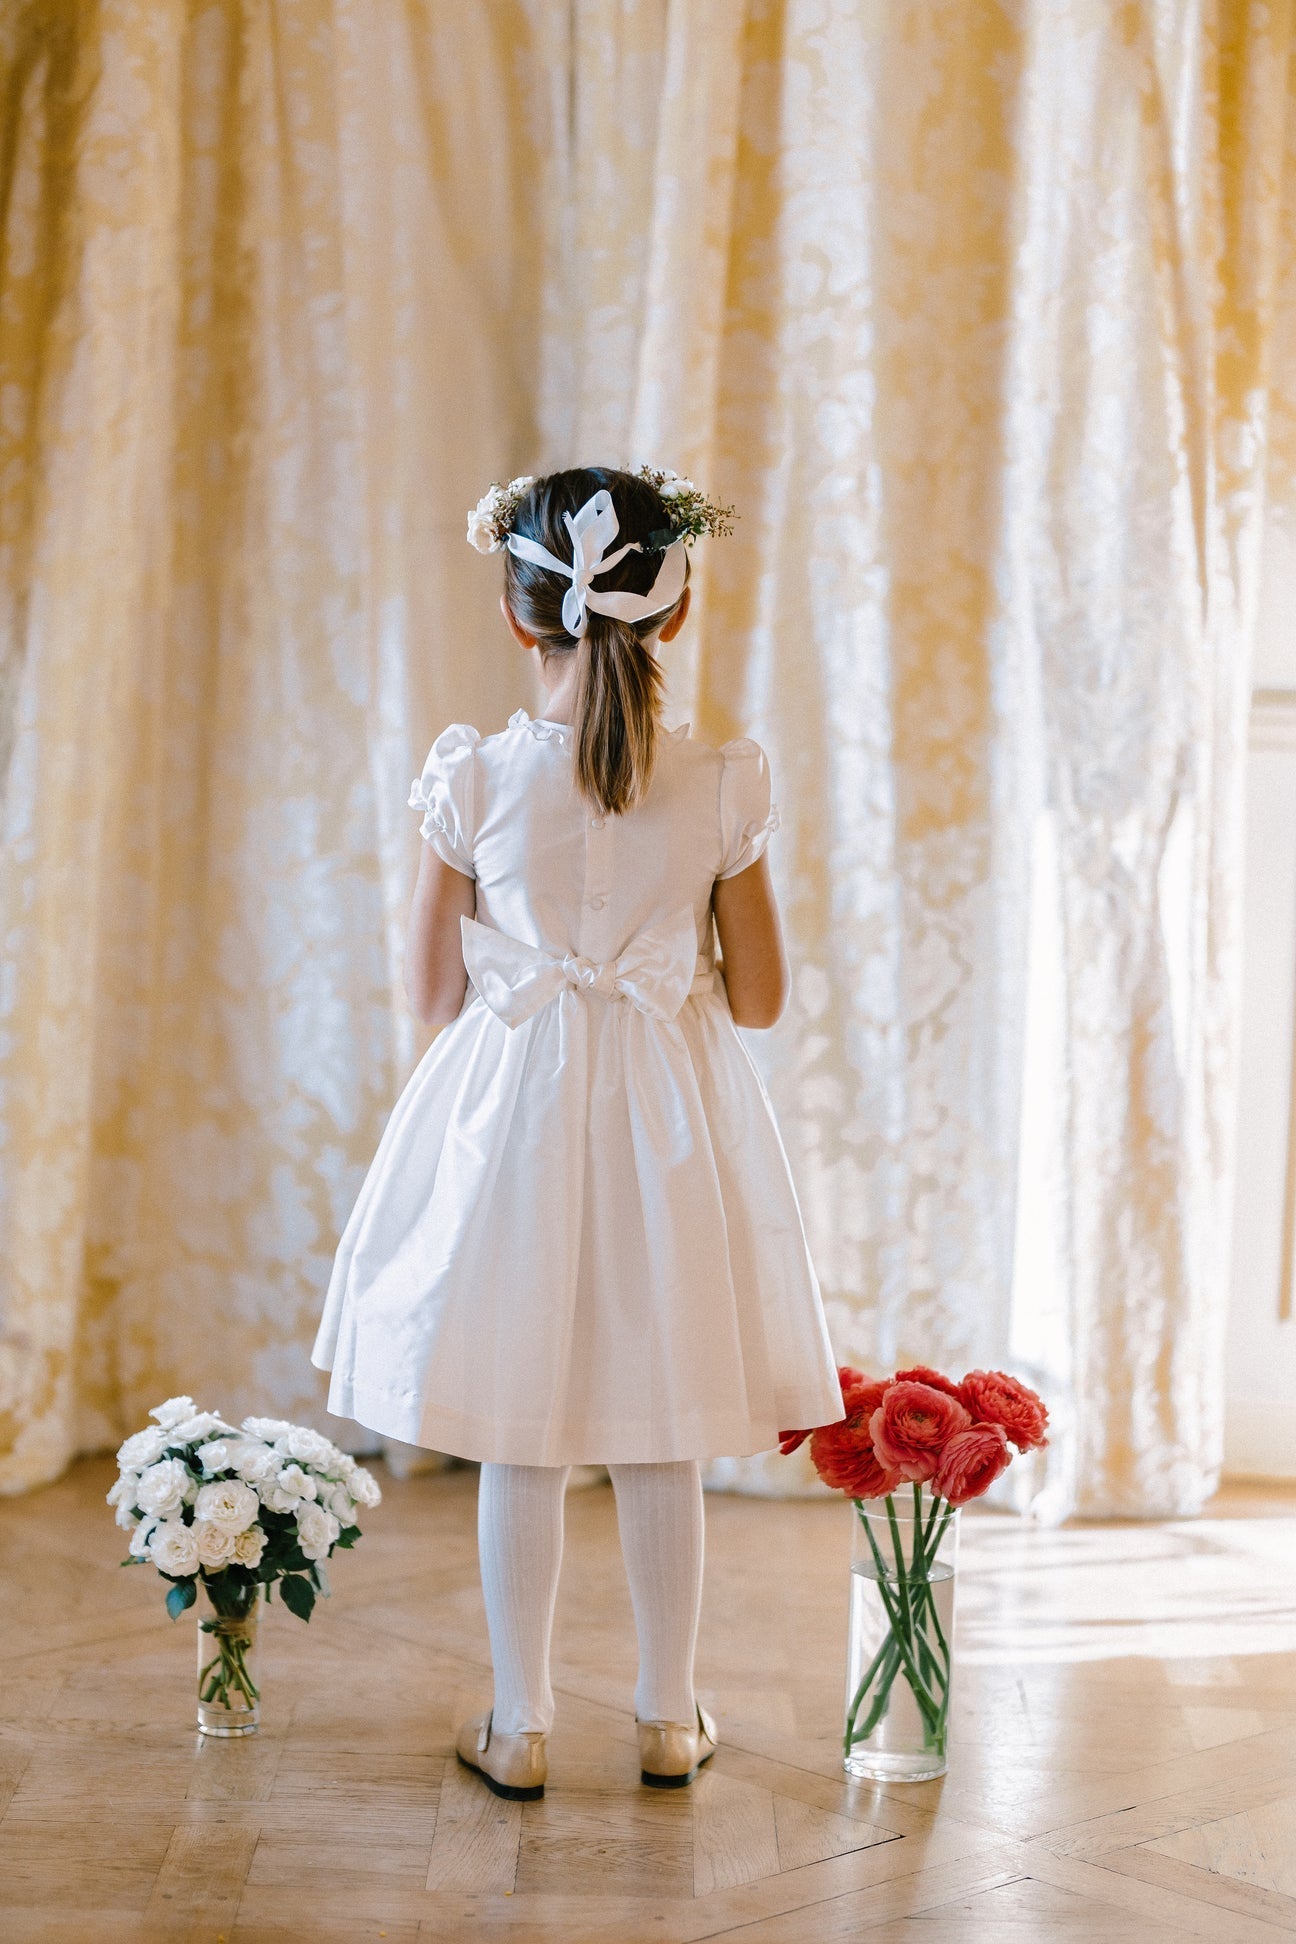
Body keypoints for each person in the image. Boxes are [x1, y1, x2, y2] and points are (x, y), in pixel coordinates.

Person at [312, 465, 842, 1800]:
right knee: (658, 1420)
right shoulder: (722, 786)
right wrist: (665, 965)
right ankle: (669, 1718)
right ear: (672, 618)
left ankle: (522, 1722)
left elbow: (434, 998)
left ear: (517, 613)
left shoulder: (475, 778)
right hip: (670, 1116)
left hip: (514, 1123)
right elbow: (766, 1000)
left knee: (525, 1428)